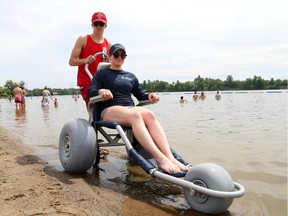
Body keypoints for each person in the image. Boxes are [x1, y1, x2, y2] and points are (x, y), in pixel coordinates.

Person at [88, 43, 189, 174]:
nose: (119, 57)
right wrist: (101, 90)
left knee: (150, 115)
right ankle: (159, 158)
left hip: (129, 107)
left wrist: (149, 96)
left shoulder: (131, 76)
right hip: (110, 108)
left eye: (122, 55)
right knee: (135, 116)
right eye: (116, 54)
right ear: (110, 57)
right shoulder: (102, 74)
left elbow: (140, 95)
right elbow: (91, 92)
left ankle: (170, 157)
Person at [69, 12, 111, 107]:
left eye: (101, 24)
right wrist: (85, 60)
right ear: (92, 25)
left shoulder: (108, 44)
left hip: (103, 84)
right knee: (94, 108)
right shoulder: (83, 39)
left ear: (106, 25)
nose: (98, 26)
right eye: (96, 24)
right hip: (87, 83)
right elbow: (71, 61)